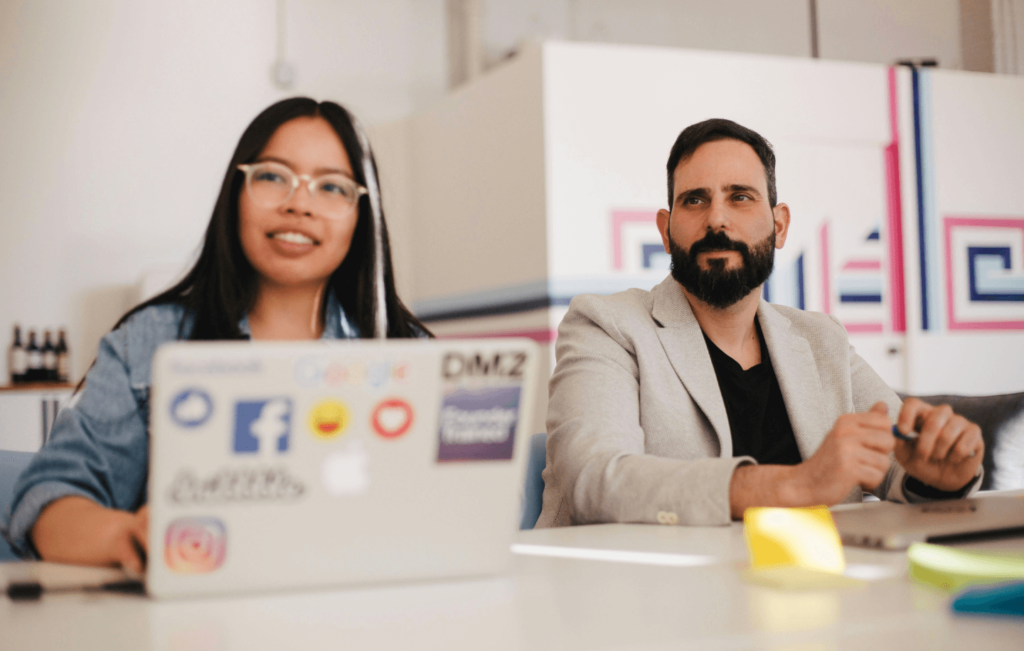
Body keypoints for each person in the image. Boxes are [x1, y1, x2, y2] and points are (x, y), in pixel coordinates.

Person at [1, 98, 429, 568]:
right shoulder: (147, 343)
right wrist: (125, 535)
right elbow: (48, 498)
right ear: (236, 194)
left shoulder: (412, 355)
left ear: (362, 216)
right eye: (272, 176)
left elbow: (466, 506)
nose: (298, 203)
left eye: (332, 187)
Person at [536, 118, 984, 528]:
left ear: (780, 225)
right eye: (695, 200)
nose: (717, 219)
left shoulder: (821, 338)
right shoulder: (606, 325)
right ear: (666, 230)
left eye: (740, 197)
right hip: (645, 602)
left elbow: (896, 460)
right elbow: (596, 481)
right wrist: (795, 486)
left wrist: (940, 473)